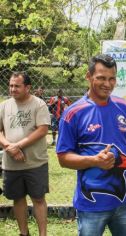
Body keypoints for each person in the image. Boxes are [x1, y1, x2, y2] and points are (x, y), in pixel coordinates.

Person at [55, 54, 126, 236]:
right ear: (88, 76)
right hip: (91, 204)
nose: (107, 84)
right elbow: (63, 158)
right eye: (101, 78)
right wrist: (94, 161)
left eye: (112, 78)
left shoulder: (123, 106)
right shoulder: (73, 113)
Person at [0, 72, 51, 236]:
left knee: (38, 199)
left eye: (17, 86)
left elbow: (43, 129)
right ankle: (24, 233)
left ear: (28, 87)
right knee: (18, 198)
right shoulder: (4, 105)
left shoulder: (39, 104)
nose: (13, 89)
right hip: (11, 163)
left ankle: (42, 233)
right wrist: (9, 146)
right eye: (11, 85)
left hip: (35, 163)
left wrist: (18, 146)